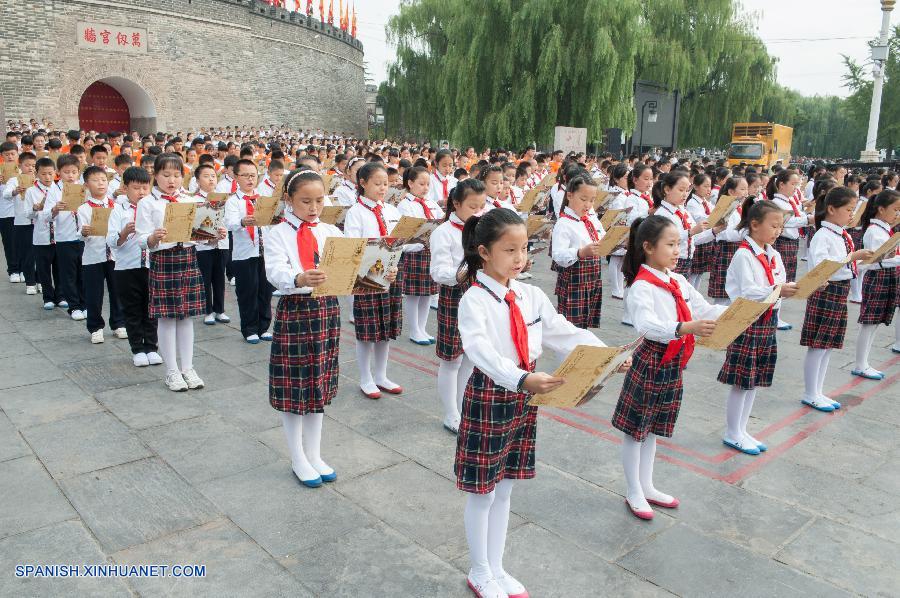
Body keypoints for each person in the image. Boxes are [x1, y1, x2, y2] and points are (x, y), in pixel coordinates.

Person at [455, 207, 618, 598]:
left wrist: (606, 355)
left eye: (524, 249)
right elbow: (478, 350)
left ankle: (497, 566)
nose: (519, 258)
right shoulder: (474, 300)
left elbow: (563, 332)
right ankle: (479, 570)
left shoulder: (530, 294)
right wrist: (521, 378)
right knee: (483, 490)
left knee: (507, 485)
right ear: (484, 252)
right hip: (493, 395)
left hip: (527, 396)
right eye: (509, 250)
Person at [612, 215, 726, 520]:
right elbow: (647, 326)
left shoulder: (677, 280)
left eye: (679, 244)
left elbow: (704, 307)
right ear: (648, 247)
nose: (678, 250)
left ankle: (647, 484)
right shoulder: (642, 286)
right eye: (671, 244)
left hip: (674, 359)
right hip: (651, 358)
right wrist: (684, 327)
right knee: (636, 430)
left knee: (653, 429)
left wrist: (739, 311)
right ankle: (633, 489)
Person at [265, 169, 344, 488]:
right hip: (296, 310)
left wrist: (377, 274)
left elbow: (346, 270)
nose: (314, 207)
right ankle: (297, 456)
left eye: (319, 200)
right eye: (305, 201)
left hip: (326, 311)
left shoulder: (330, 230)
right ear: (288, 199)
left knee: (319, 383)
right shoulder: (277, 233)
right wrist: (298, 279)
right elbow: (274, 271)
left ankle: (315, 453)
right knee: (295, 386)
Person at [136, 153, 225, 392]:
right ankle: (172, 371)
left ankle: (188, 368)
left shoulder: (191, 200)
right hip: (163, 259)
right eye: (165, 175)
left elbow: (201, 239)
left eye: (176, 175)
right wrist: (153, 237)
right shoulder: (147, 202)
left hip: (187, 258)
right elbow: (141, 239)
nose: (171, 180)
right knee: (166, 317)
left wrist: (214, 236)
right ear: (155, 176)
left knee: (186, 316)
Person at [719, 198, 799, 454]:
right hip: (748, 321)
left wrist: (794, 288)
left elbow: (780, 282)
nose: (778, 231)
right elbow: (749, 291)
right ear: (754, 224)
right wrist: (778, 290)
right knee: (742, 381)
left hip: (767, 320)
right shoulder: (744, 255)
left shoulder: (772, 254)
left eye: (780, 227)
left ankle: (742, 429)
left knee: (754, 379)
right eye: (773, 225)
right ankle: (733, 431)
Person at [800, 187, 874, 412]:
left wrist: (869, 259)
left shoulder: (842, 233)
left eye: (854, 210)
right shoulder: (823, 235)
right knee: (818, 345)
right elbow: (824, 267)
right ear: (831, 209)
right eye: (848, 209)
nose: (852, 214)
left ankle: (819, 390)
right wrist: (853, 256)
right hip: (826, 290)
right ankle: (810, 392)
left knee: (828, 345)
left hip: (839, 291)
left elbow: (847, 266)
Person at [430, 179, 486, 433]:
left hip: (479, 295)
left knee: (470, 357)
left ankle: (463, 407)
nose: (478, 212)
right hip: (455, 295)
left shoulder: (482, 229)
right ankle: (451, 413)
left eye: (482, 206)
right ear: (456, 204)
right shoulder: (443, 233)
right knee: (451, 360)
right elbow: (439, 272)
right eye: (472, 206)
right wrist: (463, 271)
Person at [344, 161, 403, 398]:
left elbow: (400, 242)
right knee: (367, 331)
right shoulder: (355, 212)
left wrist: (395, 264)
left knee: (385, 329)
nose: (382, 188)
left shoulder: (390, 211)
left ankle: (381, 375)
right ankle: (365, 378)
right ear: (362, 183)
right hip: (366, 279)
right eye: (377, 183)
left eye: (386, 184)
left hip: (389, 275)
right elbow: (352, 246)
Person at [107, 166, 161, 367]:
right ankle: (137, 348)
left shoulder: (155, 208)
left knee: (151, 308)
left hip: (151, 264)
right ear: (125, 188)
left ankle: (152, 347)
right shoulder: (118, 210)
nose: (141, 193)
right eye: (136, 188)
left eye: (145, 188)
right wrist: (124, 233)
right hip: (127, 267)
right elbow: (111, 241)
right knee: (132, 309)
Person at [852, 189, 900, 379]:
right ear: (881, 209)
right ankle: (860, 364)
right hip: (877, 277)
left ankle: (864, 363)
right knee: (869, 323)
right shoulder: (874, 231)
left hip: (885, 276)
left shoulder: (884, 229)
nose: (897, 214)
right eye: (895, 209)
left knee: (875, 323)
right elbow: (876, 259)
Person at [225, 159, 274, 343]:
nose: (249, 179)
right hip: (245, 253)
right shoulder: (233, 201)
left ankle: (264, 326)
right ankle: (249, 328)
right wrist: (242, 221)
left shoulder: (263, 199)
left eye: (253, 175)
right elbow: (229, 223)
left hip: (265, 251)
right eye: (245, 175)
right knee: (247, 291)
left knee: (265, 290)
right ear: (236, 177)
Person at [77, 165, 126, 343]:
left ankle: (119, 323)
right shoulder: (84, 209)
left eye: (103, 180)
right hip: (93, 256)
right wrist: (84, 232)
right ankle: (95, 327)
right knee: (94, 293)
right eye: (95, 180)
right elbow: (79, 235)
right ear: (86, 184)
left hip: (115, 255)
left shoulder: (118, 206)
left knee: (117, 291)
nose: (100, 184)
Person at [551, 172, 605, 329]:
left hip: (592, 279)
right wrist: (580, 252)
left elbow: (602, 236)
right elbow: (558, 255)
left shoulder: (590, 219)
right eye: (583, 199)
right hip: (575, 281)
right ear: (570, 195)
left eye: (592, 200)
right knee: (570, 326)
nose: (588, 205)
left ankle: (582, 351)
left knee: (584, 324)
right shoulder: (564, 223)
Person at [397, 165, 444, 345]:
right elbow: (406, 232)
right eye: (421, 184)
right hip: (414, 253)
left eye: (428, 184)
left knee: (428, 293)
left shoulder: (431, 203)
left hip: (431, 251)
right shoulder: (405, 205)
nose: (425, 188)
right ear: (410, 183)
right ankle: (414, 329)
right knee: (413, 294)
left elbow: (441, 220)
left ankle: (422, 328)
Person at [43, 154, 86, 320]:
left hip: (82, 237)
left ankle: (85, 304)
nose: (70, 175)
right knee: (68, 274)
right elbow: (46, 217)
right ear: (58, 173)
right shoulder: (55, 190)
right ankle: (74, 306)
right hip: (65, 238)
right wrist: (55, 209)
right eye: (66, 172)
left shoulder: (83, 188)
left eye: (74, 172)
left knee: (83, 273)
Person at [651, 170, 716, 276]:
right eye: (681, 190)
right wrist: (691, 232)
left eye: (687, 190)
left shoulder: (683, 211)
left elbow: (695, 238)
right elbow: (667, 240)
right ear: (667, 189)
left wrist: (714, 231)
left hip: (687, 260)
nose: (685, 194)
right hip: (670, 261)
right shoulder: (662, 213)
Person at [27, 157, 60, 308]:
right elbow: (28, 215)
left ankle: (61, 295)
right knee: (44, 268)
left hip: (59, 235)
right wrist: (35, 208)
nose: (47, 177)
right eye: (43, 174)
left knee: (59, 268)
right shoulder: (31, 191)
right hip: (41, 236)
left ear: (55, 173)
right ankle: (48, 297)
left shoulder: (59, 189)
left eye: (50, 173)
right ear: (37, 173)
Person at [7, 152, 37, 291]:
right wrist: (15, 191)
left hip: (39, 222)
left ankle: (40, 281)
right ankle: (30, 281)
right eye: (27, 165)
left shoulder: (40, 179)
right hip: (22, 221)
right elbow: (6, 194)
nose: (30, 168)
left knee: (39, 254)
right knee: (27, 253)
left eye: (33, 165)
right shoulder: (14, 180)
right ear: (20, 165)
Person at [685, 173, 715, 289]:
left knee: (699, 274)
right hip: (698, 240)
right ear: (696, 187)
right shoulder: (692, 203)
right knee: (693, 275)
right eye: (705, 186)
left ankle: (695, 297)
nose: (708, 189)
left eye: (710, 186)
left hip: (706, 240)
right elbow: (702, 219)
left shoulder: (706, 202)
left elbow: (713, 213)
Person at [605, 164, 631, 299]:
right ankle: (615, 289)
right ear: (616, 179)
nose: (629, 180)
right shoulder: (616, 194)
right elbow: (617, 213)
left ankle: (620, 287)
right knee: (615, 259)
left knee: (621, 260)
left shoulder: (626, 192)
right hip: (617, 227)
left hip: (625, 228)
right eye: (626, 177)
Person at [0, 141, 22, 281]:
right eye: (6, 154)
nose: (10, 157)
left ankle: (24, 269)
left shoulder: (23, 171)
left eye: (12, 154)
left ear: (17, 153)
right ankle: (13, 270)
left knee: (23, 243)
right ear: (2, 156)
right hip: (5, 213)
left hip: (21, 213)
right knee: (9, 243)